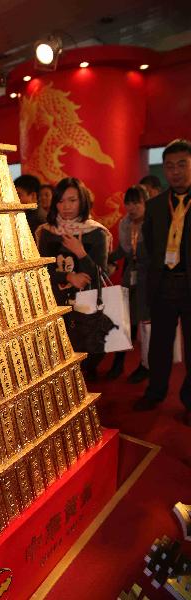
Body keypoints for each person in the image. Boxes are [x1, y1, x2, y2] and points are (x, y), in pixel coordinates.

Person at [135, 139, 191, 426]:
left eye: (182, 164)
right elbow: (147, 251)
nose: (176, 171)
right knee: (159, 345)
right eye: (170, 166)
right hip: (163, 284)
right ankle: (155, 392)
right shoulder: (155, 206)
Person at [36, 177, 111, 379]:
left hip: (87, 305)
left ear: (82, 201)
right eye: (60, 201)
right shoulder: (47, 232)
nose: (66, 207)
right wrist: (69, 276)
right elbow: (42, 270)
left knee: (88, 354)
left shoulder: (96, 232)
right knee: (56, 353)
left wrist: (81, 254)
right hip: (55, 302)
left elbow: (101, 274)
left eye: (72, 200)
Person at [107, 185, 149, 382]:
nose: (132, 207)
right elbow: (123, 251)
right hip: (129, 279)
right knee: (124, 323)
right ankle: (118, 363)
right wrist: (105, 258)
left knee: (146, 326)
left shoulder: (153, 223)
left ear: (145, 203)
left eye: (136, 203)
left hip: (148, 279)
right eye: (128, 203)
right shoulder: (125, 224)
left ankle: (146, 365)